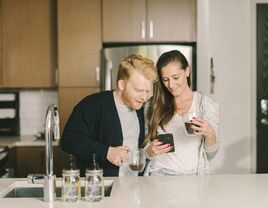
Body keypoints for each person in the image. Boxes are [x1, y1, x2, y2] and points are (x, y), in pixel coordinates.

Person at [61, 54, 157, 177]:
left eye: (147, 91)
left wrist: (148, 152)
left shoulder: (139, 108)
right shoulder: (92, 105)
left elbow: (134, 150)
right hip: (102, 188)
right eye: (138, 90)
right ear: (122, 85)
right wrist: (107, 152)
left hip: (133, 185)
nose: (144, 97)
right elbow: (69, 140)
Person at [144, 50, 220, 176]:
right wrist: (149, 151)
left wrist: (210, 132)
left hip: (193, 179)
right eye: (165, 79)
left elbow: (211, 154)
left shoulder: (205, 104)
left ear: (187, 71)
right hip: (159, 178)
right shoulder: (153, 105)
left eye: (175, 77)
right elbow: (143, 149)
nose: (171, 85)